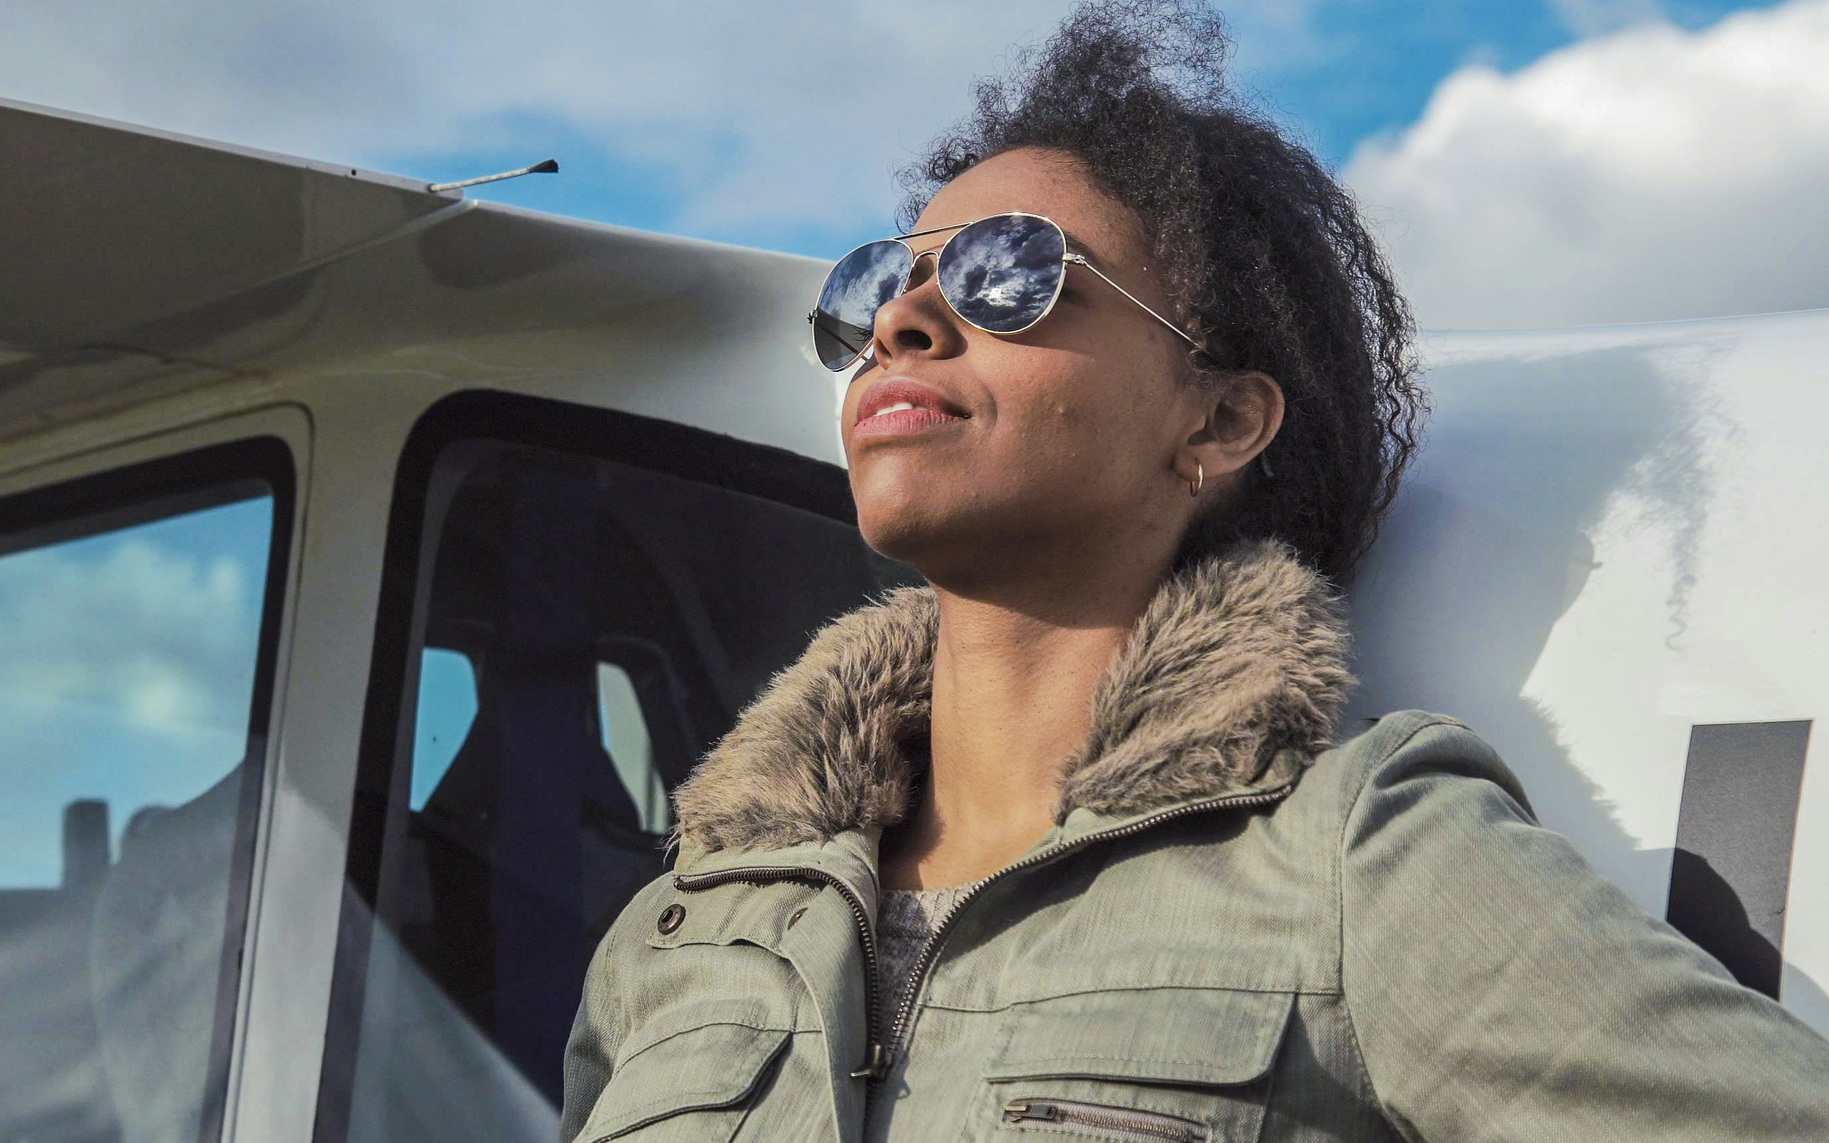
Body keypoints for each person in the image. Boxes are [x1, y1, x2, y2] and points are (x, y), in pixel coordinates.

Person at [559, 3, 1829, 1140]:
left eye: (1012, 274)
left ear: (1216, 424)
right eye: (882, 281)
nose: (902, 320)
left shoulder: (1351, 858)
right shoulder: (677, 932)